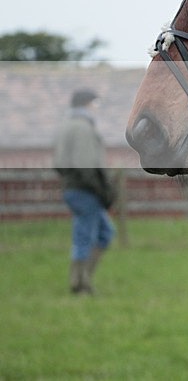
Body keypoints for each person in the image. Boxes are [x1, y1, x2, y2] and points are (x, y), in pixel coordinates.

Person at [53, 88, 116, 295]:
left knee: (104, 233)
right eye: (94, 103)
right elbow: (86, 164)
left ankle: (83, 279)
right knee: (85, 236)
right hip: (85, 189)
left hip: (74, 187)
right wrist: (103, 190)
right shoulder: (81, 127)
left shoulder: (66, 125)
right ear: (86, 104)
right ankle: (79, 283)